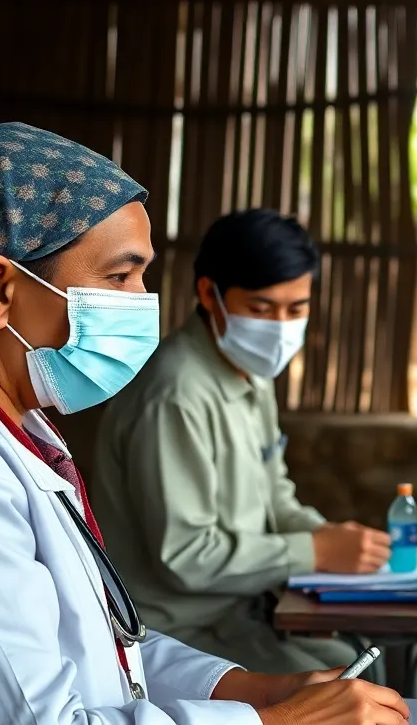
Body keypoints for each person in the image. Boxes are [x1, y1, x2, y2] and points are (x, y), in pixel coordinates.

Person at [0, 123, 410, 725]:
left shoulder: (13, 425)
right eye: (118, 277)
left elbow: (98, 648)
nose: (144, 302)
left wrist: (248, 690)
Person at [92, 209, 389, 675]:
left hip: (238, 610)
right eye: (262, 307)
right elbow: (186, 557)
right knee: (345, 684)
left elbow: (276, 497)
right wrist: (316, 551)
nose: (280, 326)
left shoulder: (249, 369)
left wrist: (335, 541)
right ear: (210, 294)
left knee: (357, 663)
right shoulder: (176, 394)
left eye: (296, 309)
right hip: (175, 632)